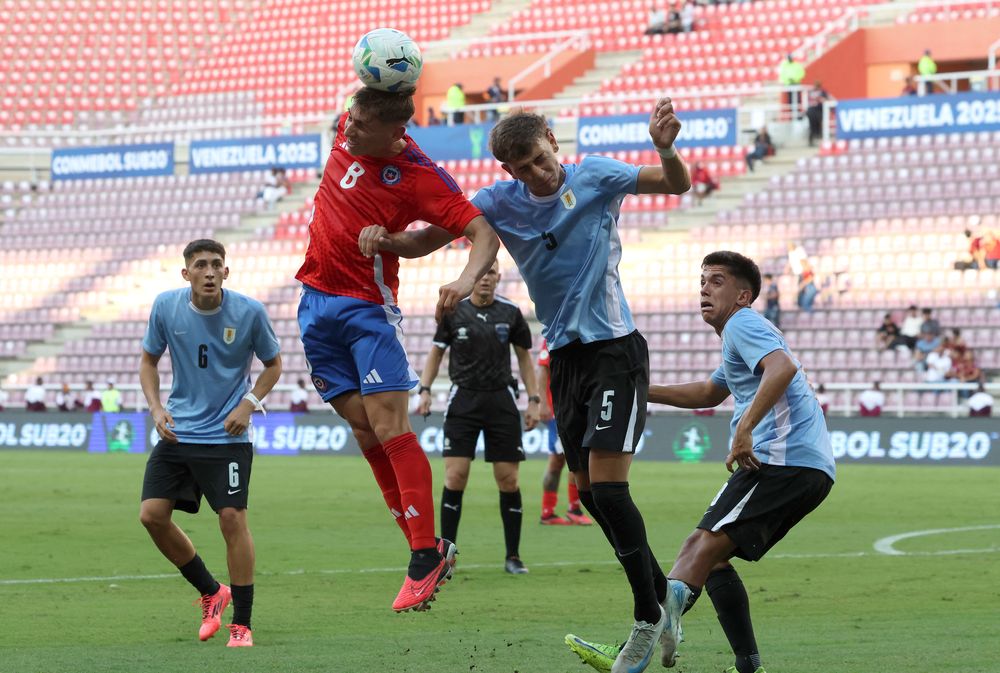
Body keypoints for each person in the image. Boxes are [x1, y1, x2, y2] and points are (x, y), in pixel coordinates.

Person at [381, 99, 690, 671]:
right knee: (593, 496)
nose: (534, 174)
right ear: (507, 172)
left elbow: (676, 183)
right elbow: (441, 235)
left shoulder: (597, 175)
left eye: (538, 159)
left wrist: (666, 148)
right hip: (566, 361)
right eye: (520, 169)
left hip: (615, 350)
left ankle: (646, 619)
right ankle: (666, 594)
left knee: (610, 489)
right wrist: (389, 241)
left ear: (552, 139)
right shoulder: (500, 203)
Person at [567, 251, 835, 673]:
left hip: (783, 459)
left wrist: (745, 427)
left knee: (697, 546)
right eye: (702, 281)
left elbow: (781, 368)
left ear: (743, 295)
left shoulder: (743, 323)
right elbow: (708, 394)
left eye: (716, 281)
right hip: (800, 464)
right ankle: (747, 665)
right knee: (713, 558)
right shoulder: (739, 335)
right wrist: (639, 388)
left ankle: (633, 650)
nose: (704, 288)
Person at [295, 85, 499, 613]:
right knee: (364, 428)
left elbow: (481, 231)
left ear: (394, 132)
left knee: (390, 428)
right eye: (351, 118)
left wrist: (461, 278)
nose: (347, 126)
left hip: (366, 309)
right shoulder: (351, 127)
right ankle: (428, 548)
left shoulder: (418, 176)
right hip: (313, 302)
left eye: (360, 123)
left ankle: (422, 556)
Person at [139, 239, 282, 648]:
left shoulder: (250, 312)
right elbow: (149, 361)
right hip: (178, 431)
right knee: (151, 516)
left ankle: (243, 623)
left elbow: (273, 365)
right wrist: (155, 408)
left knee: (232, 520)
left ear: (226, 272)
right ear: (186, 274)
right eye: (200, 265)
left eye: (216, 265)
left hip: (227, 436)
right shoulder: (166, 306)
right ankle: (210, 590)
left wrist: (249, 404)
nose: (209, 271)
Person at [416, 261, 540, 574]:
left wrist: (534, 400)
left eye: (491, 274)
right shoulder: (454, 310)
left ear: (498, 278)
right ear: (473, 278)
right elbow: (436, 352)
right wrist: (425, 389)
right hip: (464, 401)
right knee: (455, 476)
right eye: (481, 274)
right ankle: (445, 557)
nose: (486, 279)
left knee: (508, 479)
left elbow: (525, 359)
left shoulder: (511, 313)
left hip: (501, 401)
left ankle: (513, 556)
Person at [537, 338, 593, 526]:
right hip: (558, 411)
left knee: (566, 458)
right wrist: (543, 403)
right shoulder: (554, 335)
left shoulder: (584, 334)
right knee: (564, 459)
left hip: (575, 409)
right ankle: (561, 510)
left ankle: (563, 510)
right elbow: (543, 368)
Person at [804, 81, 829, 146]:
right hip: (815, 111)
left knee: (815, 126)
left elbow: (825, 100)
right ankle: (813, 141)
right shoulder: (820, 92)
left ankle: (815, 140)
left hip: (815, 111)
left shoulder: (816, 92)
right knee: (814, 126)